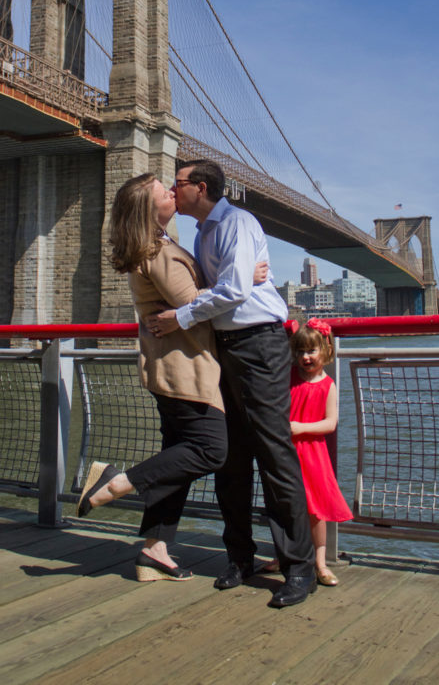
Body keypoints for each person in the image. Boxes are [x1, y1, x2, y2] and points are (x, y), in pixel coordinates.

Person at [148, 159, 316, 608]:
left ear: (199, 188)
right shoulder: (203, 233)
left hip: (259, 345)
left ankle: (298, 569)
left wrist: (180, 316)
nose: (172, 188)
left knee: (274, 454)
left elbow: (235, 289)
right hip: (225, 348)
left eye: (177, 183)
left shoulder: (238, 222)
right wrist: (233, 284)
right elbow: (226, 285)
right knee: (232, 458)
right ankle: (239, 557)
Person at [76, 172, 228, 583]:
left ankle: (154, 551)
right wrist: (243, 278)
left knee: (175, 461)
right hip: (185, 369)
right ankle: (115, 482)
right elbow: (194, 304)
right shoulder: (158, 251)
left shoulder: (149, 247)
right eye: (165, 190)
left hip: (169, 366)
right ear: (149, 207)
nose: (172, 191)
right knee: (212, 450)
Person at [266, 319, 352, 585]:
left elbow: (330, 423)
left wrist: (300, 427)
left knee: (315, 511)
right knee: (286, 506)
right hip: (286, 451)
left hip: (312, 453)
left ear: (325, 351)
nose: (305, 357)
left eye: (311, 351)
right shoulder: (289, 376)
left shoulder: (328, 386)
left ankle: (320, 563)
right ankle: (284, 555)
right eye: (301, 351)